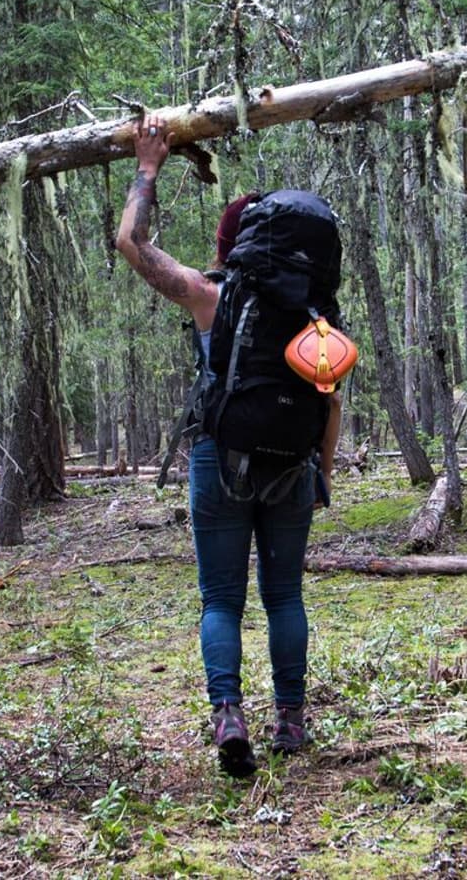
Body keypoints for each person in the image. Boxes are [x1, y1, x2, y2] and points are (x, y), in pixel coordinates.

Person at [114, 112, 341, 778]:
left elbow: (129, 241)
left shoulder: (211, 297)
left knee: (220, 599)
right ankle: (292, 722)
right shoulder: (317, 323)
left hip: (221, 457)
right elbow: (330, 407)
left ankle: (228, 717)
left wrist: (148, 166)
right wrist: (318, 475)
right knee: (284, 596)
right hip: (292, 464)